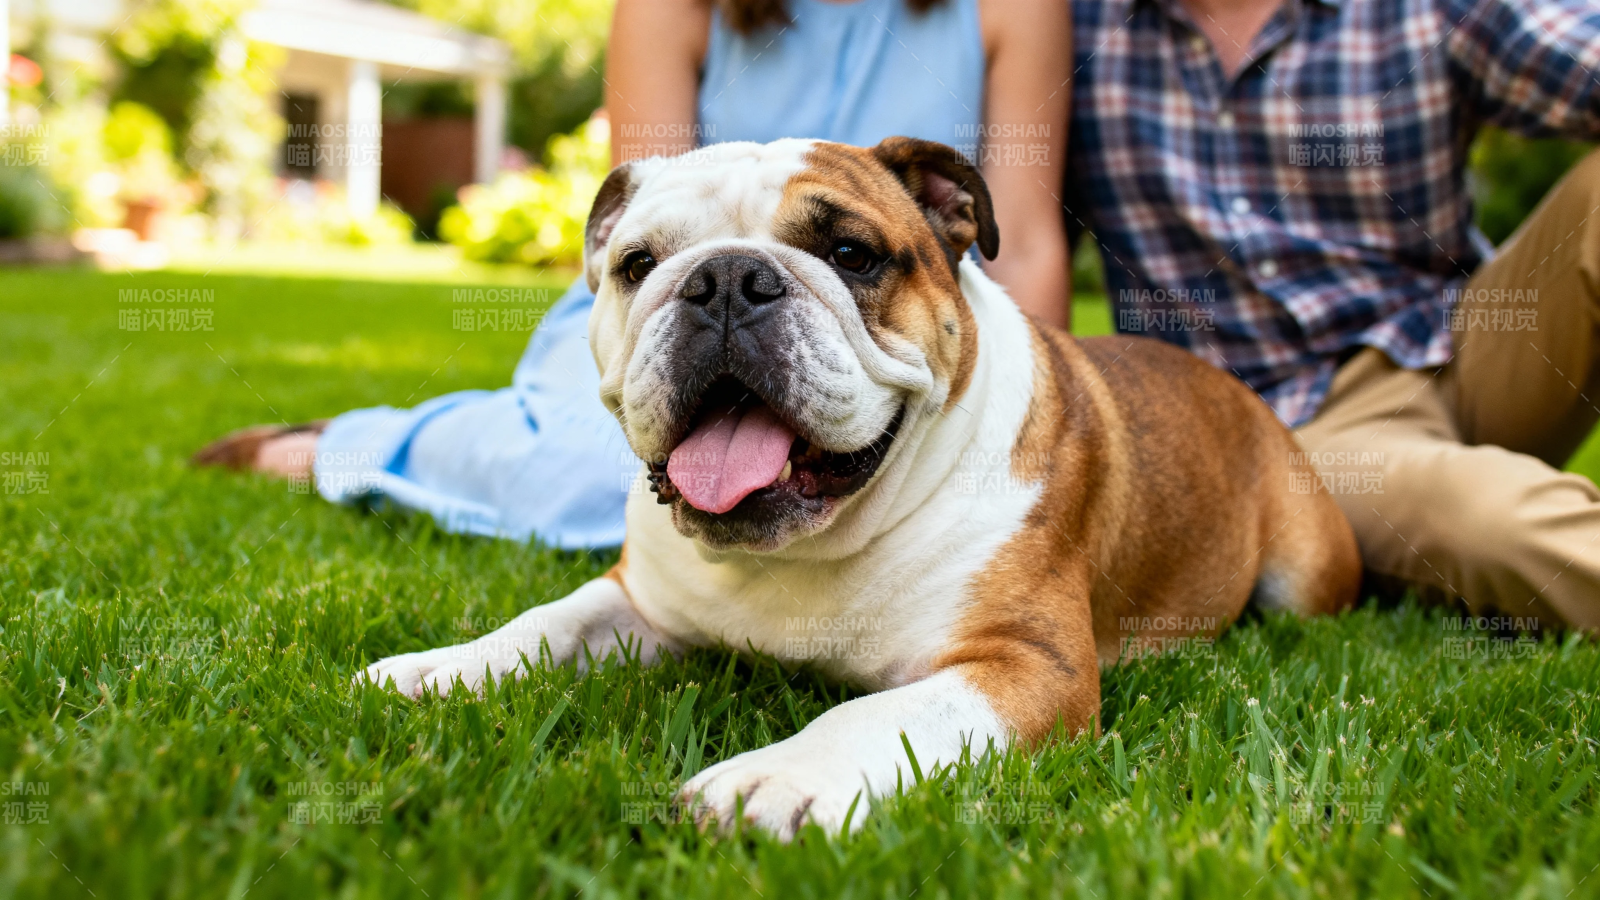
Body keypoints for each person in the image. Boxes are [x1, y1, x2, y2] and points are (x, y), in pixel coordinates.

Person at [195, 0, 1072, 548]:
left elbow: (1022, 239)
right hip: (680, 309)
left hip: (884, 322)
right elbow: (646, 218)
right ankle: (353, 448)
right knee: (593, 489)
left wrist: (1035, 431)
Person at [1066, 0, 1600, 629]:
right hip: (1296, 430)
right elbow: (1018, 239)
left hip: (1467, 344)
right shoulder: (1076, 29)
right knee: (1498, 521)